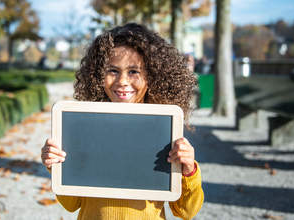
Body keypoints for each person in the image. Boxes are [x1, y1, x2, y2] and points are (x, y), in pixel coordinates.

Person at [41, 23, 204, 220]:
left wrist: (188, 170)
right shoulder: (85, 127)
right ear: (98, 74)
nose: (123, 82)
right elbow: (71, 203)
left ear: (152, 76)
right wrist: (57, 165)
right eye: (113, 71)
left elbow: (187, 211)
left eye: (134, 71)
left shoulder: (165, 127)